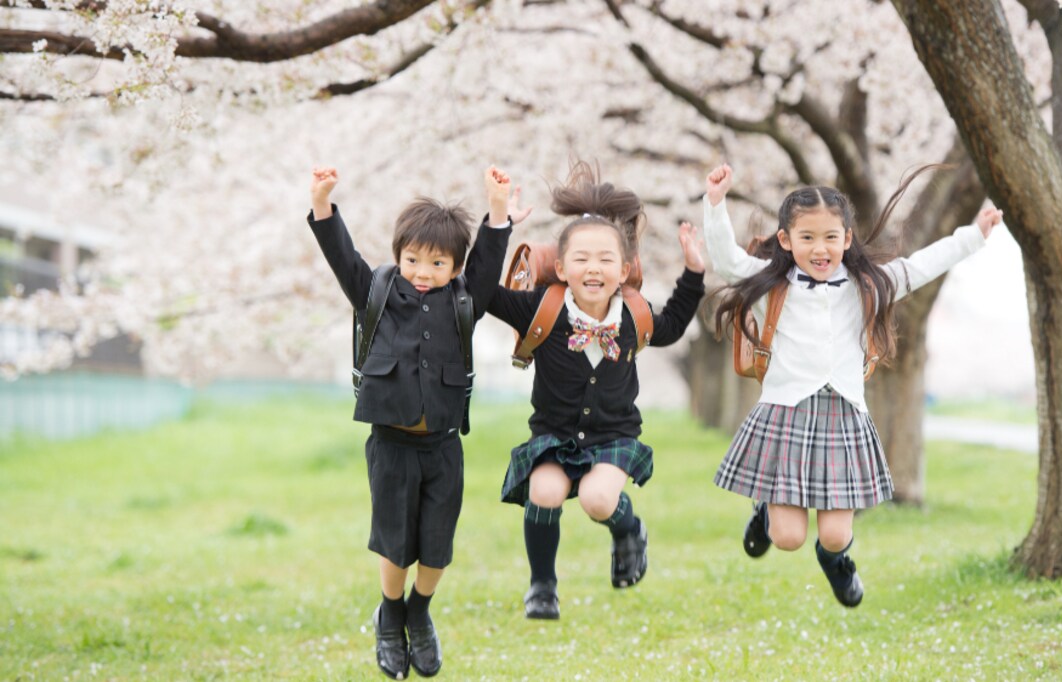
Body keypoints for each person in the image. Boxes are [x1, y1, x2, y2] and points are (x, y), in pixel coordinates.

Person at [703, 163, 1002, 607]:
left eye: (830, 238)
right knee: (787, 538)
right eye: (807, 238)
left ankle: (836, 560)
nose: (819, 249)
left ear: (847, 239)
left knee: (836, 534)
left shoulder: (868, 286)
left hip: (842, 416)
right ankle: (766, 511)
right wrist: (714, 202)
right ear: (785, 241)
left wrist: (972, 236)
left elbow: (920, 266)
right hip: (787, 414)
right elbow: (726, 259)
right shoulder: (772, 288)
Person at [308, 165, 530, 678]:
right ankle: (390, 614)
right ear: (398, 256)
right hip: (390, 443)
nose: (422, 271)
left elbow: (489, 262)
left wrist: (498, 211)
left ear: (455, 267)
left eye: (436, 263)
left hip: (443, 445)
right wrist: (322, 203)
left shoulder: (464, 301)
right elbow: (344, 259)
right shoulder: (377, 295)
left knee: (437, 544)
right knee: (395, 540)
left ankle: (419, 612)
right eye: (412, 260)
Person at [472, 161, 705, 619]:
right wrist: (497, 222)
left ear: (624, 270)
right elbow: (480, 295)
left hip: (614, 437)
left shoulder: (632, 316)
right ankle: (542, 587)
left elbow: (674, 324)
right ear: (560, 267)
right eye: (580, 259)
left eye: (605, 260)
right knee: (543, 491)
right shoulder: (544, 308)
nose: (592, 268)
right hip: (555, 436)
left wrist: (693, 273)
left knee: (600, 500)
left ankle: (629, 530)